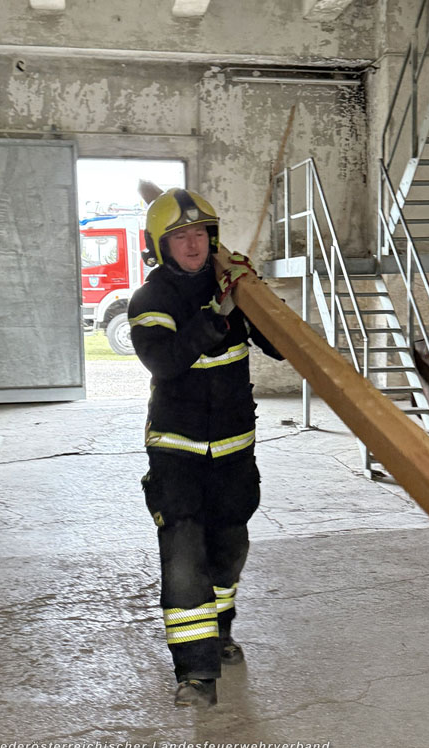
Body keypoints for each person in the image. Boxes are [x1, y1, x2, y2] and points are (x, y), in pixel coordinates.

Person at [128, 188, 282, 709]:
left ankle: (219, 629)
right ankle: (195, 673)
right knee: (183, 552)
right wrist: (212, 317)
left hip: (235, 451)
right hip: (177, 451)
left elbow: (281, 347)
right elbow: (165, 361)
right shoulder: (150, 300)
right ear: (160, 246)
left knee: (228, 549)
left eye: (200, 235)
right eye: (179, 237)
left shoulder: (233, 287)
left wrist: (254, 293)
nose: (192, 245)